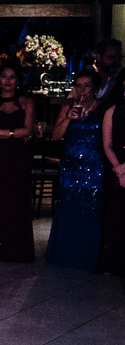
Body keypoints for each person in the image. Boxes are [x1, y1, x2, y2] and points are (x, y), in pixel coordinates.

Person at [45, 69, 104, 270]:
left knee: (90, 209)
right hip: (70, 166)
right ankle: (67, 254)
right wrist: (68, 118)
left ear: (95, 87)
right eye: (78, 85)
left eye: (86, 85)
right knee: (69, 208)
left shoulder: (102, 108)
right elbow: (55, 135)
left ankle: (88, 256)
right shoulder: (69, 105)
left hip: (93, 166)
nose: (82, 89)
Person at [0, 61, 36, 263]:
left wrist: (3, 132)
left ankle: (17, 250)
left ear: (18, 79)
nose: (8, 81)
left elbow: (28, 130)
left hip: (19, 157)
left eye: (12, 77)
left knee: (17, 200)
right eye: (4, 76)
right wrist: (14, 134)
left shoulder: (27, 102)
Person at [98, 89, 125, 275]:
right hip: (116, 168)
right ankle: (114, 262)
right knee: (115, 212)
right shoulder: (112, 111)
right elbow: (107, 144)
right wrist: (119, 170)